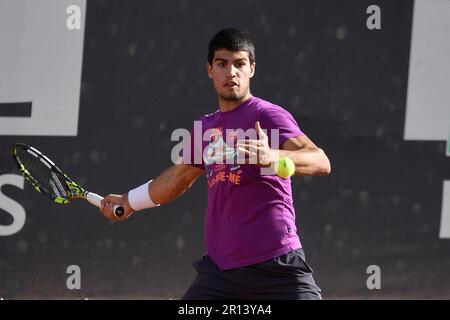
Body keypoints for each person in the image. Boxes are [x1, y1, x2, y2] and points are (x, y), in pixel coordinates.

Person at [100, 28, 331, 300]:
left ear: (252, 69)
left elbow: (320, 160)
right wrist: (129, 201)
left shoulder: (268, 115)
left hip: (276, 265)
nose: (231, 72)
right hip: (221, 273)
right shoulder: (204, 128)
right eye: (222, 64)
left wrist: (274, 157)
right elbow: (177, 179)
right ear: (210, 70)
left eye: (239, 64)